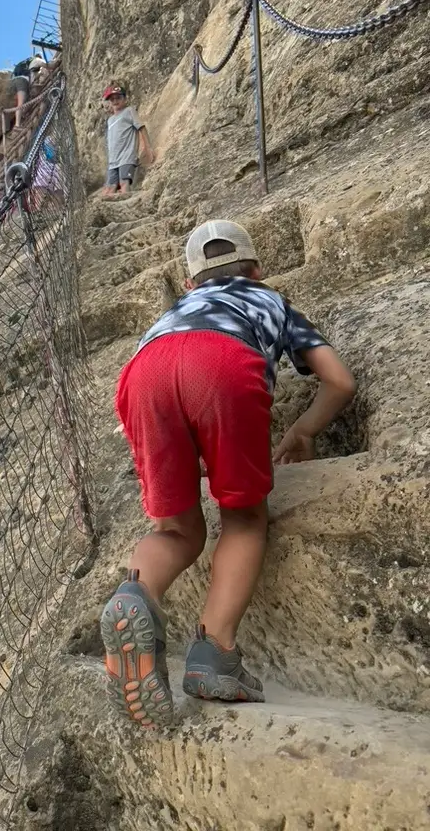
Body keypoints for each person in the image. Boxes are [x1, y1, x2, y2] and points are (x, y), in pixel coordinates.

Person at [101, 220, 355, 729]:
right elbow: (339, 381)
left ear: (191, 282)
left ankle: (136, 594)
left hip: (144, 370)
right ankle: (214, 651)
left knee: (175, 530)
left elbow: (178, 371)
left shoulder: (175, 311)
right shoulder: (270, 301)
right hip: (223, 359)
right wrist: (303, 430)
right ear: (256, 270)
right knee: (242, 518)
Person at [101, 84, 154, 198]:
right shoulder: (110, 120)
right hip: (113, 161)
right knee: (110, 188)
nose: (115, 101)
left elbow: (141, 128)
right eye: (112, 99)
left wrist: (148, 148)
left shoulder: (129, 111)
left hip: (126, 157)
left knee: (124, 183)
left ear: (125, 99)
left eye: (118, 98)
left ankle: (128, 208)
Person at [8, 56, 50, 129]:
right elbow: (46, 65)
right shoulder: (36, 60)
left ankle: (21, 117)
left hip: (13, 83)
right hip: (22, 81)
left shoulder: (23, 63)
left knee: (22, 102)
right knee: (20, 104)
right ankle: (17, 125)